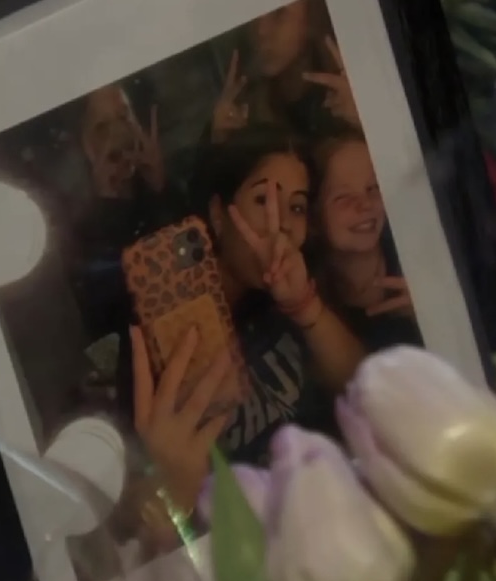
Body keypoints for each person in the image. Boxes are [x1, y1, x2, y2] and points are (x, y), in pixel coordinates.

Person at [109, 127, 366, 547]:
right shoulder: (157, 347)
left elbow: (364, 385)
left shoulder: (291, 305)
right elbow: (137, 525)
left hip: (335, 516)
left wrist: (303, 304)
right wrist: (173, 493)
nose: (278, 224)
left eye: (296, 207)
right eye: (262, 200)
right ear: (217, 215)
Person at [64, 84, 184, 344]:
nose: (118, 134)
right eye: (102, 128)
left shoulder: (164, 186)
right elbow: (106, 327)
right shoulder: (84, 235)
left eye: (123, 117)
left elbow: (196, 258)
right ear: (86, 146)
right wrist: (109, 204)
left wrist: (161, 188)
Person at [309, 129, 422, 349]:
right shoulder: (312, 297)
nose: (365, 204)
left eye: (373, 187)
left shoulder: (421, 257)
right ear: (313, 217)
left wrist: (431, 315)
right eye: (343, 197)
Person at [210, 0, 358, 143]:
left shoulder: (347, 85)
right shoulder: (246, 104)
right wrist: (220, 143)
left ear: (311, 18)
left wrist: (365, 117)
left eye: (278, 12)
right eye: (252, 16)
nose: (261, 31)